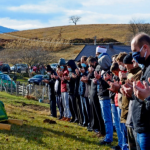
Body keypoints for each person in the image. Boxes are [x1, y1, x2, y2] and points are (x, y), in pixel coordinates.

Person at [127, 32, 150, 150]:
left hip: (147, 128)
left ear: (145, 47)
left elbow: (147, 96)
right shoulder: (146, 67)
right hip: (140, 125)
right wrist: (132, 92)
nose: (133, 55)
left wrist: (146, 97)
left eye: (135, 50)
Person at [95, 46, 113, 145]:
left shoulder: (108, 72)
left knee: (107, 119)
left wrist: (100, 79)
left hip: (105, 97)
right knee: (105, 118)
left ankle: (109, 138)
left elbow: (107, 84)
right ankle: (108, 136)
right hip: (102, 96)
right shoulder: (104, 71)